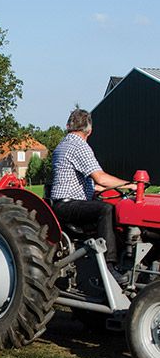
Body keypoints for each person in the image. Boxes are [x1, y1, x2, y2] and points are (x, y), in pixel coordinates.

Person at [50, 107, 136, 284]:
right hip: (68, 205)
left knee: (107, 202)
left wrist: (96, 188)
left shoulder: (63, 144)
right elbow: (101, 177)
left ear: (68, 125)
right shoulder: (78, 145)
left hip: (63, 203)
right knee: (106, 210)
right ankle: (110, 266)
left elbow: (83, 181)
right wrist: (131, 185)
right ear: (89, 130)